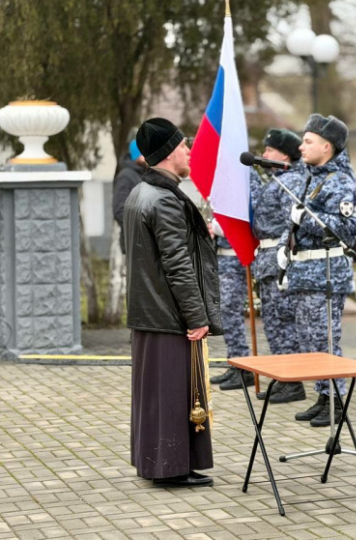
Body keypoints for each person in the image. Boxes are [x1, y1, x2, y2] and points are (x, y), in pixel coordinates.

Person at [124, 117, 222, 487]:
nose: (189, 151)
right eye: (183, 145)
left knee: (156, 394)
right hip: (167, 313)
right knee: (171, 393)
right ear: (167, 153)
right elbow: (177, 264)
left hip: (149, 311)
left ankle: (162, 464)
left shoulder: (142, 192)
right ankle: (170, 468)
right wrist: (196, 317)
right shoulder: (163, 199)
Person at [279, 114, 356, 427]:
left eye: (308, 141)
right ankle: (323, 396)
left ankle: (336, 400)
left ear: (327, 146)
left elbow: (346, 230)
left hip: (325, 273)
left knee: (326, 340)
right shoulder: (312, 176)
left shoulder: (340, 181)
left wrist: (304, 218)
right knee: (311, 340)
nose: (301, 146)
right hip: (305, 271)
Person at [249, 128, 307, 403]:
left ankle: (292, 381)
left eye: (269, 150)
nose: (264, 154)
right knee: (273, 324)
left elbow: (290, 224)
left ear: (284, 154)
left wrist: (284, 257)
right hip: (267, 260)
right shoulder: (277, 180)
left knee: (282, 324)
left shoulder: (290, 181)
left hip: (278, 259)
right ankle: (285, 378)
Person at [209, 221, 254, 391]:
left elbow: (240, 224)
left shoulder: (236, 196)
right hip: (223, 258)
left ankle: (243, 367)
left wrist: (218, 226)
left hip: (235, 258)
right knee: (226, 314)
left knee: (230, 311)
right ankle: (235, 362)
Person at [112, 139, 147, 253]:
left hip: (144, 244)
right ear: (138, 155)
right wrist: (141, 228)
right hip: (134, 245)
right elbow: (119, 210)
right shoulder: (126, 176)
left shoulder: (144, 174)